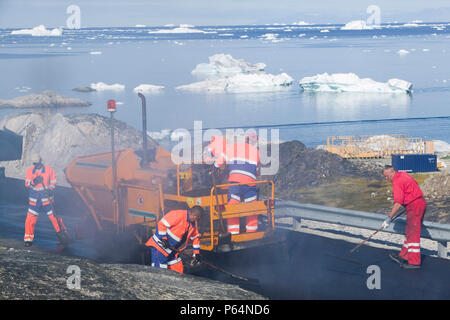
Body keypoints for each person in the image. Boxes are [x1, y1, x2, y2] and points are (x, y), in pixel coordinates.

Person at [207, 134, 260, 235]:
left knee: (233, 206)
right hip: (251, 183)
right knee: (252, 207)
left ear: (246, 139)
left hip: (236, 182)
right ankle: (252, 232)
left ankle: (233, 233)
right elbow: (256, 171)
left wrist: (214, 168)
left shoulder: (235, 147)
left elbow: (221, 159)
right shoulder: (256, 152)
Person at [382, 165, 426, 269]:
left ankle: (414, 262)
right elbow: (412, 188)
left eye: (386, 176)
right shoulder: (403, 174)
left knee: (413, 233)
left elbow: (398, 203)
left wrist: (389, 218)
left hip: (415, 206)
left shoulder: (396, 182)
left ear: (391, 173)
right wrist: (408, 203)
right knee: (409, 231)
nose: (386, 179)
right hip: (417, 203)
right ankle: (405, 255)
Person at [24, 153, 69, 247]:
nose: (36, 165)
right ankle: (28, 239)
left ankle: (63, 235)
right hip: (34, 200)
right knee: (30, 220)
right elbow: (27, 184)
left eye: (37, 163)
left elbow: (53, 182)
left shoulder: (49, 170)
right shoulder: (30, 171)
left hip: (47, 199)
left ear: (40, 161)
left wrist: (50, 190)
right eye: (34, 164)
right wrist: (34, 181)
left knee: (55, 218)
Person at [145, 206, 204, 274]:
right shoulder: (178, 215)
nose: (197, 221)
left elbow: (195, 238)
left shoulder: (192, 224)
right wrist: (164, 239)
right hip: (160, 247)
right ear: (194, 216)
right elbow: (162, 224)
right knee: (160, 270)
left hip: (172, 250)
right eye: (197, 218)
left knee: (177, 270)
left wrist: (196, 253)